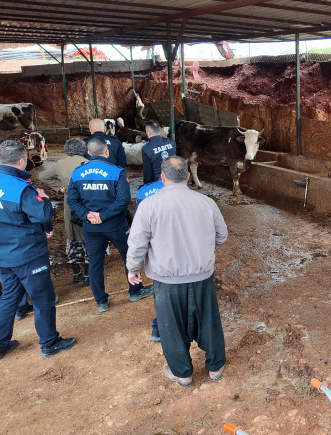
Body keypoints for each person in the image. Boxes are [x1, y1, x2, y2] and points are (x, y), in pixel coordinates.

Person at [126, 156, 228, 386]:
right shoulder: (206, 202)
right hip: (202, 277)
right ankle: (215, 367)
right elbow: (222, 235)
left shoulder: (149, 205)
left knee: (171, 327)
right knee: (209, 321)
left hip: (167, 282)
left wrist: (133, 268)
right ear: (188, 176)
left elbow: (138, 242)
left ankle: (182, 373)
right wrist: (202, 252)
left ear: (162, 177)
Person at [0, 140, 76, 360]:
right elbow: (43, 215)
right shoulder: (20, 188)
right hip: (28, 254)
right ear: (22, 160)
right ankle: (49, 343)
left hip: (0, 254)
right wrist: (44, 199)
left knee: (9, 297)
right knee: (42, 298)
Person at [68, 139, 153, 312]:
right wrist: (104, 215)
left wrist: (87, 215)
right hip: (116, 225)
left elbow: (72, 200)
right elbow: (123, 200)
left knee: (95, 263)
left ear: (88, 153)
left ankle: (101, 301)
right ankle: (135, 291)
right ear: (107, 152)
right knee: (128, 256)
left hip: (91, 226)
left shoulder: (77, 173)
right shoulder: (116, 172)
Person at [39, 138, 90, 285]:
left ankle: (77, 273)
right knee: (87, 235)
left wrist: (60, 187)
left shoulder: (61, 164)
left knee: (72, 234)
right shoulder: (88, 163)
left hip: (70, 202)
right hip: (87, 201)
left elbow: (43, 176)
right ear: (83, 150)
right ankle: (88, 275)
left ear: (67, 150)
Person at [135, 179, 165, 342]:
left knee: (162, 288)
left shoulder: (143, 191)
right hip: (179, 251)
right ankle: (160, 326)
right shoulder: (186, 194)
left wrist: (134, 265)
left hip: (156, 251)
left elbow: (138, 229)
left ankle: (158, 328)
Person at [141, 120, 176, 185]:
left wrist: (147, 186)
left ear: (148, 132)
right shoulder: (171, 142)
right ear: (159, 129)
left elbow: (147, 172)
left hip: (159, 183)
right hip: (174, 179)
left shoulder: (146, 149)